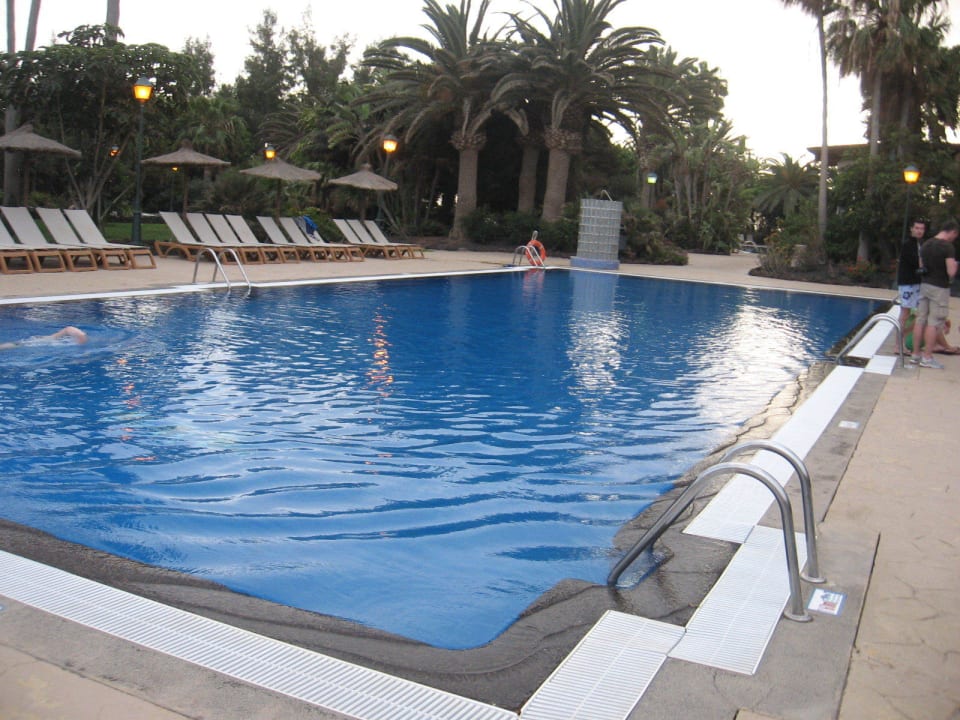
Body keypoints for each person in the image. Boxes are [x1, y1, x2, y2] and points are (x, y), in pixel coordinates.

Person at [911, 218, 959, 369]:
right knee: (934, 323)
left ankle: (915, 354)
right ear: (952, 232)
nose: (954, 238)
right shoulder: (947, 247)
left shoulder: (926, 244)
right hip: (939, 287)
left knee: (920, 320)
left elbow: (921, 265)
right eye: (955, 235)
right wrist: (955, 266)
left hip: (925, 284)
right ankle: (927, 357)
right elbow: (951, 271)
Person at [896, 218, 927, 352]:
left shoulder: (921, 244)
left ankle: (904, 340)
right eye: (917, 228)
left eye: (922, 229)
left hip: (917, 283)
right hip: (908, 283)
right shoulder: (908, 245)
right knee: (905, 313)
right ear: (911, 229)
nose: (919, 231)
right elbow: (917, 263)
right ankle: (898, 345)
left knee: (921, 313)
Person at [0, 325, 88, 350]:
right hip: (40, 342)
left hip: (39, 341)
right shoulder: (62, 340)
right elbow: (70, 329)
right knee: (20, 344)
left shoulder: (66, 340)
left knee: (20, 344)